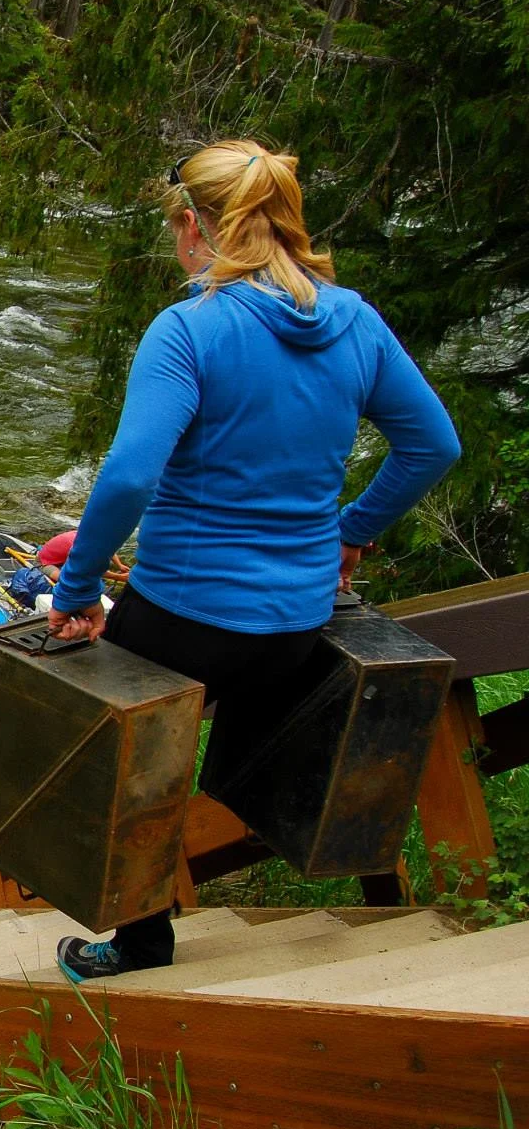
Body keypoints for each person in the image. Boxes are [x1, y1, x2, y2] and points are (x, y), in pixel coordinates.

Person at [46, 140, 459, 982]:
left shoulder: (188, 330)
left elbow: (128, 474)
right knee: (252, 714)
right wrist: (350, 530)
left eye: (175, 231)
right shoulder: (354, 320)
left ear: (195, 227)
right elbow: (432, 444)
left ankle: (137, 948)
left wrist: (79, 586)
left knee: (120, 752)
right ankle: (340, 895)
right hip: (297, 624)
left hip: (186, 619)